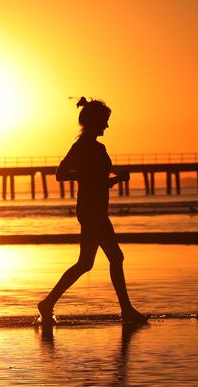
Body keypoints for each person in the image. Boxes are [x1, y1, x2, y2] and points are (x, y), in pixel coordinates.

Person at [38, 97, 146, 326]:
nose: (107, 126)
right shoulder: (82, 146)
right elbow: (60, 174)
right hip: (90, 210)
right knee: (114, 257)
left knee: (86, 263)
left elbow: (98, 181)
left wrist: (116, 178)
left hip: (96, 209)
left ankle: (48, 303)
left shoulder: (97, 147)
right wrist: (83, 176)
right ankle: (126, 310)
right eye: (104, 121)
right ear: (95, 121)